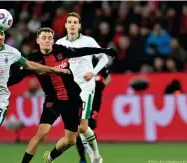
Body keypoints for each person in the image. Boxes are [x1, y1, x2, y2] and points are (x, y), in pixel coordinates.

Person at [0, 23, 69, 163]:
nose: (0, 37)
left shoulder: (11, 52)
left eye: (2, 34)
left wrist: (54, 70)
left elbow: (30, 64)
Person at [7, 27, 116, 163]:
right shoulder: (34, 60)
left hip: (73, 100)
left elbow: (83, 51)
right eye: (44, 38)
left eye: (49, 38)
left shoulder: (61, 50)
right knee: (41, 133)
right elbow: (17, 77)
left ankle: (49, 158)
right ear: (38, 40)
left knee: (70, 140)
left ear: (53, 40)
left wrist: (104, 51)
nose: (47, 40)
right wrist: (1, 85)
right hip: (53, 101)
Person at [56, 12, 110, 163]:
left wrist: (93, 72)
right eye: (70, 22)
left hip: (86, 87)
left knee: (82, 127)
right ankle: (95, 157)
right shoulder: (59, 44)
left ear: (79, 26)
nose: (72, 24)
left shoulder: (88, 41)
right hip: (69, 90)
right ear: (66, 25)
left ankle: (95, 156)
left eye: (75, 22)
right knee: (80, 129)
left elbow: (104, 57)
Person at [75, 57, 111, 163]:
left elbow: (108, 78)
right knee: (79, 130)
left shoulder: (99, 64)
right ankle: (83, 158)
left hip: (94, 103)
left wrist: (101, 86)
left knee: (90, 128)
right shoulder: (78, 62)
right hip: (81, 100)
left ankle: (94, 155)